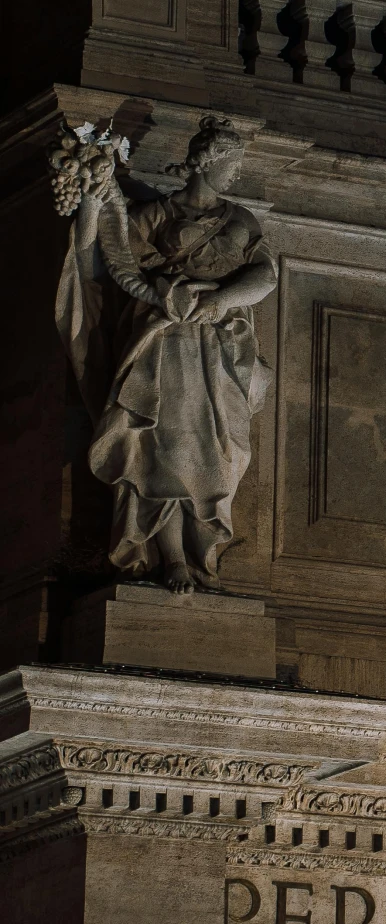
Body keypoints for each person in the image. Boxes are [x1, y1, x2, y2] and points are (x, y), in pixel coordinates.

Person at [55, 116, 279, 591]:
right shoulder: (156, 215)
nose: (236, 176)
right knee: (164, 450)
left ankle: (205, 552)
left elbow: (266, 276)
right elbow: (101, 253)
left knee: (225, 454)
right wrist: (93, 197)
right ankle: (172, 557)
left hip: (219, 348)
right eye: (232, 165)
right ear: (208, 163)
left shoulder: (241, 220)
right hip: (165, 344)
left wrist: (220, 299)